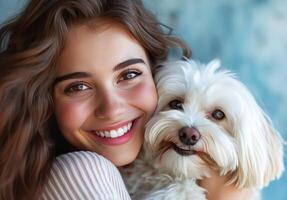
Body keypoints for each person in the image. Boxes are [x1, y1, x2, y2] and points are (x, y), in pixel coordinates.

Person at [0, 0, 253, 199]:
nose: (111, 109)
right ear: (44, 99)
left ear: (155, 75)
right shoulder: (81, 173)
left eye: (129, 74)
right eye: (78, 86)